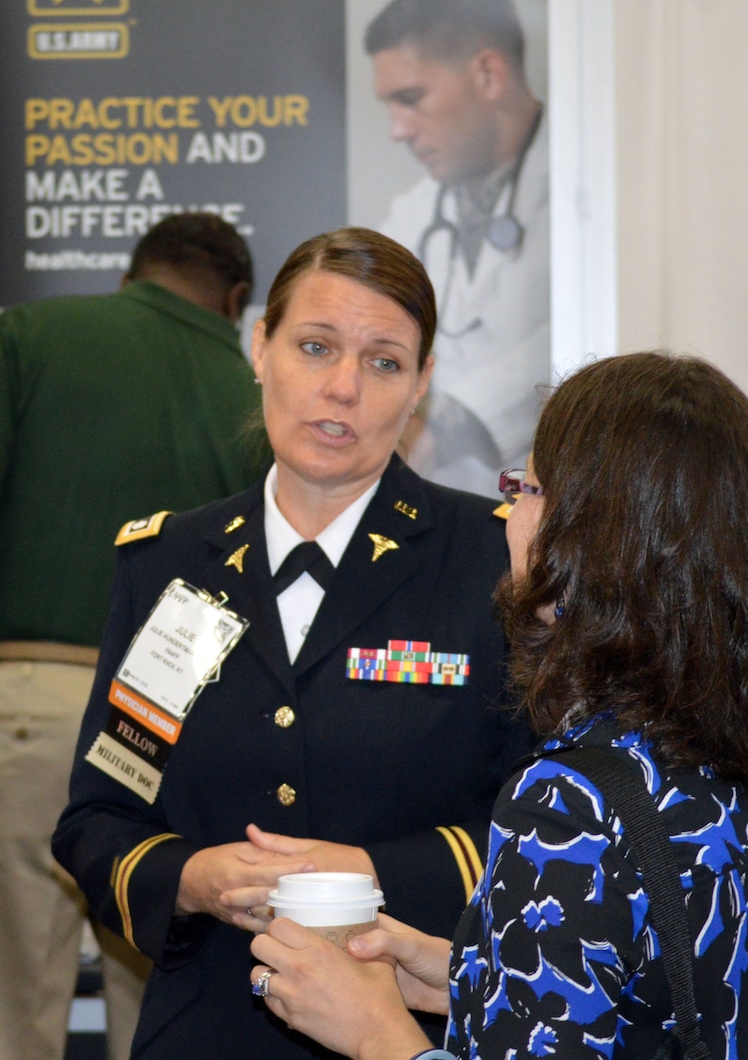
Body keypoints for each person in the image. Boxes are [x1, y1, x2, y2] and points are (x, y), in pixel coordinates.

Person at [249, 352, 748, 1059]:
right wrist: (470, 972)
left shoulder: (569, 800)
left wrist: (378, 1035)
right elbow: (669, 1001)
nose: (509, 513)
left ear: (596, 539)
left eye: (528, 490)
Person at [52, 227, 530, 1060]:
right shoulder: (168, 563)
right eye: (314, 346)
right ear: (259, 349)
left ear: (420, 387)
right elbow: (99, 820)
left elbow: (542, 831)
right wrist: (191, 878)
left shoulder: (490, 564)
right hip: (204, 1029)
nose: (342, 387)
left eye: (383, 362)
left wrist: (369, 873)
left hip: (409, 1030)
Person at [0, 212, 265, 1060]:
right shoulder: (254, 395)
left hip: (30, 697)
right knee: (161, 983)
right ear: (234, 304)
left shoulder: (33, 334)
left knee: (16, 1002)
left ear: (131, 278)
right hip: (175, 716)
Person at [365, 0, 549, 495]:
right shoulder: (414, 213)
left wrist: (456, 414)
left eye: (410, 99)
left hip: (552, 513)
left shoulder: (591, 195)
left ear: (488, 74)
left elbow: (589, 350)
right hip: (443, 510)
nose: (397, 131)